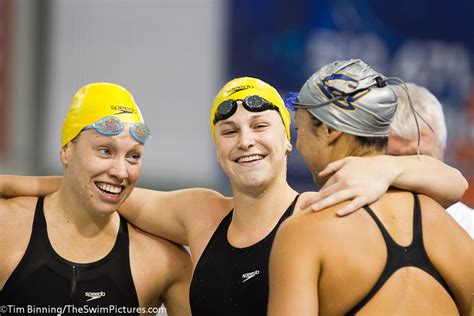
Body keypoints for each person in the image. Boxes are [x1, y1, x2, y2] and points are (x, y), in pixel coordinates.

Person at [0, 78, 468, 316]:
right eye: (229, 131)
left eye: (260, 126)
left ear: (288, 140)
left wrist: (390, 166)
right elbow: (103, 188)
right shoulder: (199, 214)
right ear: (218, 150)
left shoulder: (317, 214)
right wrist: (13, 184)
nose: (244, 140)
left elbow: (453, 188)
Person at [268, 59, 472, 315]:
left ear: (330, 130)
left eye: (301, 129)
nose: (298, 144)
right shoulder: (447, 228)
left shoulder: (304, 234)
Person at [0, 83, 192, 316]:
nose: (121, 172)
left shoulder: (163, 260)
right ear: (66, 151)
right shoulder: (6, 228)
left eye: (133, 156)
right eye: (105, 151)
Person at [387, 82, 473, 238]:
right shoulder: (351, 225)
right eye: (395, 160)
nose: (410, 178)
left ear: (443, 151)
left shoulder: (470, 228)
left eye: (422, 160)